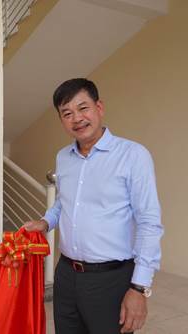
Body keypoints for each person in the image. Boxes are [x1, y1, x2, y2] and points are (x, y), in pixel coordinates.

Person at [23, 78, 163, 334]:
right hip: (66, 275)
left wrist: (139, 288)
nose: (76, 118)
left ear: (99, 108)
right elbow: (62, 204)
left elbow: (149, 223)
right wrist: (45, 222)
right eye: (67, 113)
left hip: (111, 279)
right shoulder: (63, 157)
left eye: (83, 108)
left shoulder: (133, 155)